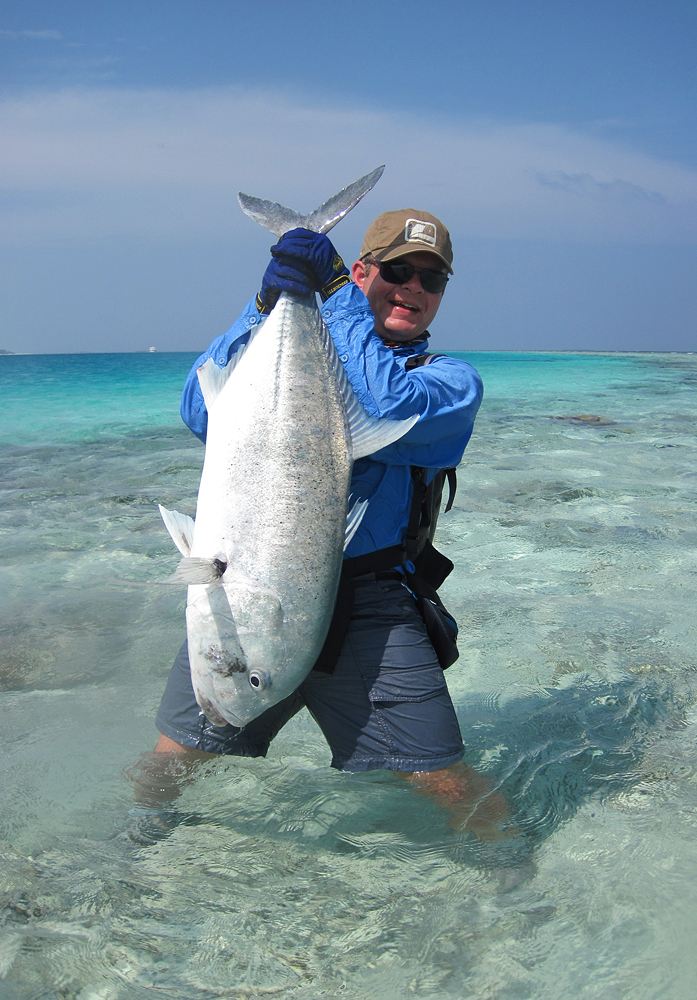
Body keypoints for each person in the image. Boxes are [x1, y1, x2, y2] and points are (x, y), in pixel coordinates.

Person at [134, 209, 511, 841]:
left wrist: (335, 297)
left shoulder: (450, 383)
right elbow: (202, 411)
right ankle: (123, 860)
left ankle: (516, 887)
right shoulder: (291, 346)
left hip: (371, 609)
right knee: (173, 764)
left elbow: (378, 402)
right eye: (397, 271)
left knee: (443, 779)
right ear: (364, 270)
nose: (413, 289)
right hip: (249, 590)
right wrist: (266, 305)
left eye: (431, 280)